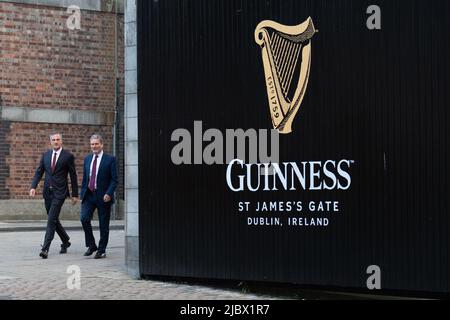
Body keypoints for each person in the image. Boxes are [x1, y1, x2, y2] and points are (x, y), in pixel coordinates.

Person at [30, 133, 78, 259]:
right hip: (47, 193)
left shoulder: (68, 156)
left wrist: (75, 194)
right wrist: (33, 187)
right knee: (54, 219)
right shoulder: (46, 155)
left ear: (61, 141)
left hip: (60, 193)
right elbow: (39, 172)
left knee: (51, 220)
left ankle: (45, 248)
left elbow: (73, 175)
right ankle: (66, 240)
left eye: (58, 140)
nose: (56, 142)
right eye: (53, 140)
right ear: (50, 142)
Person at [80, 134, 118, 259]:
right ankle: (92, 245)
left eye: (96, 144)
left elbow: (114, 180)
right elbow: (85, 178)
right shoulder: (87, 159)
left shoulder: (110, 159)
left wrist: (109, 193)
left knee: (103, 225)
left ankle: (101, 250)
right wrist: (82, 194)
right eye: (92, 144)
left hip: (103, 196)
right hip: (89, 195)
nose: (94, 146)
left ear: (101, 144)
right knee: (84, 218)